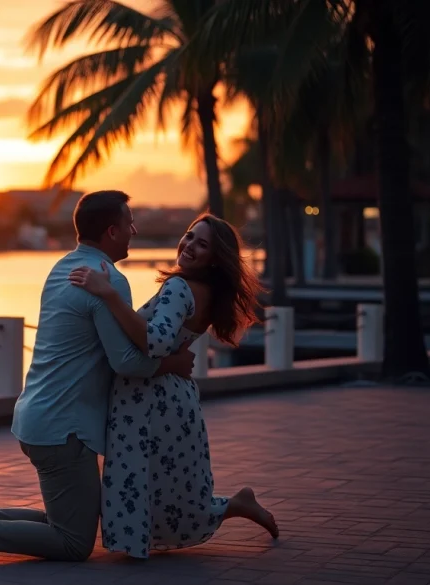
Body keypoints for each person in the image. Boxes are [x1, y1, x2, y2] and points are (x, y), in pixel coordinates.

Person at [0, 190, 196, 561]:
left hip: (37, 417)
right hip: (64, 430)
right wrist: (174, 364)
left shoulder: (61, 268)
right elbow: (126, 363)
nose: (134, 230)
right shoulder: (108, 280)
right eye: (129, 223)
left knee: (67, 522)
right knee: (73, 543)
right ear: (111, 232)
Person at [67, 213, 279, 559]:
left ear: (215, 257)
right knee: (172, 491)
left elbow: (157, 341)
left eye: (202, 243)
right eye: (189, 235)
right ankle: (234, 506)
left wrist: (109, 294)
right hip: (171, 396)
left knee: (142, 481)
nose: (190, 245)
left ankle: (144, 544)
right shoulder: (207, 291)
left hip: (149, 400)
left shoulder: (180, 287)